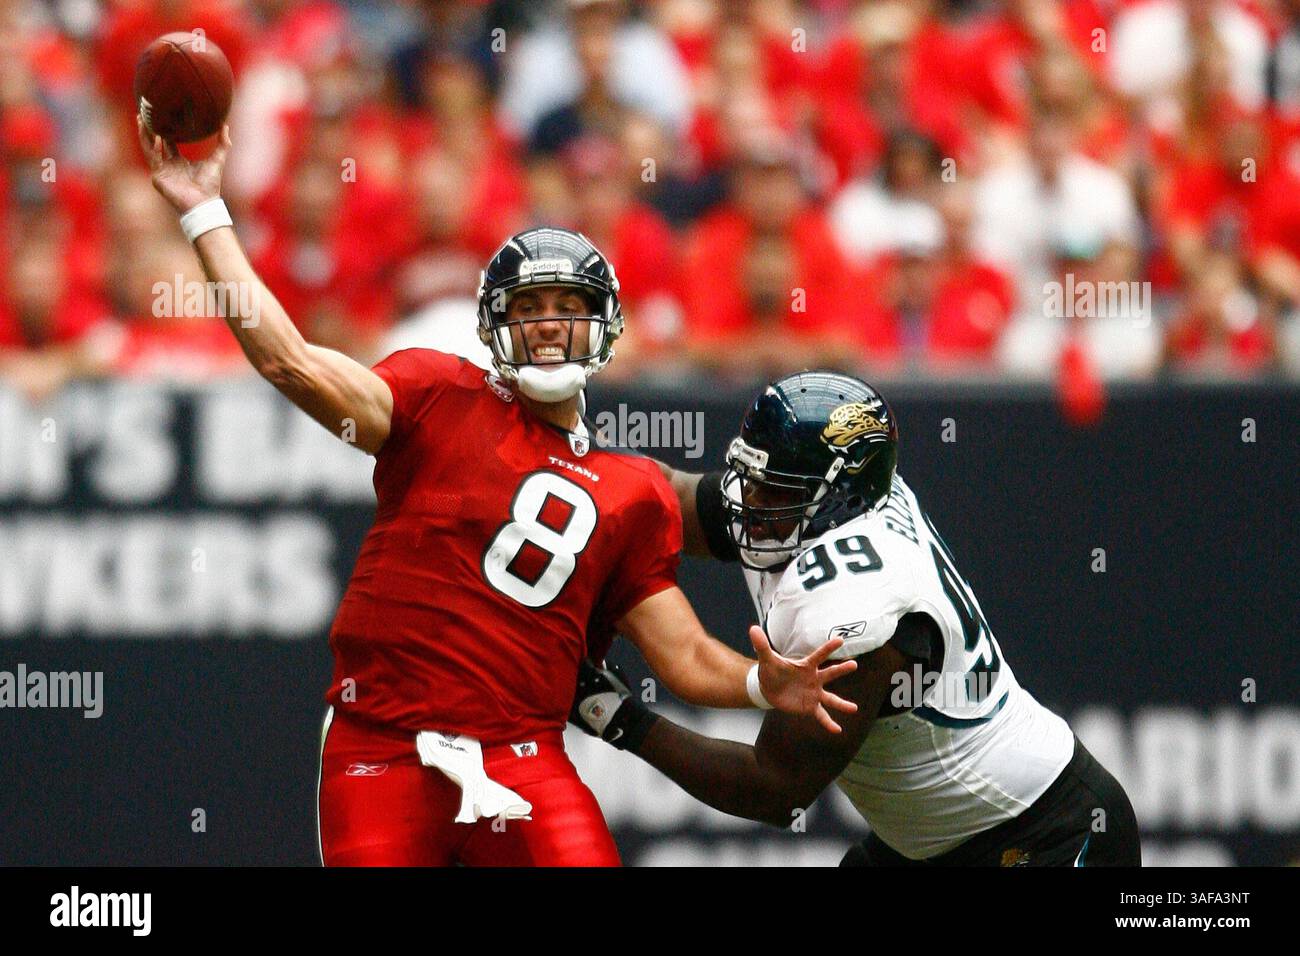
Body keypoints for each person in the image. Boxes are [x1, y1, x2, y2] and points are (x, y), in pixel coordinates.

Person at [137, 120, 855, 866]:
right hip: (380, 747)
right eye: (528, 307)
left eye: (567, 307)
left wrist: (758, 683)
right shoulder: (436, 394)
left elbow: (683, 657)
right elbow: (291, 363)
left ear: (604, 327)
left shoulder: (633, 489)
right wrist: (204, 212)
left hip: (522, 759)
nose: (548, 325)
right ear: (494, 324)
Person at [573, 370, 1142, 866]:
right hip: (928, 843)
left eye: (774, 491)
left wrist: (617, 717)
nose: (751, 502)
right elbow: (660, 502)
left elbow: (774, 789)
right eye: (753, 479)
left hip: (1044, 834)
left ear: (841, 498)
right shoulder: (811, 503)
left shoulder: (857, 605)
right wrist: (562, 470)